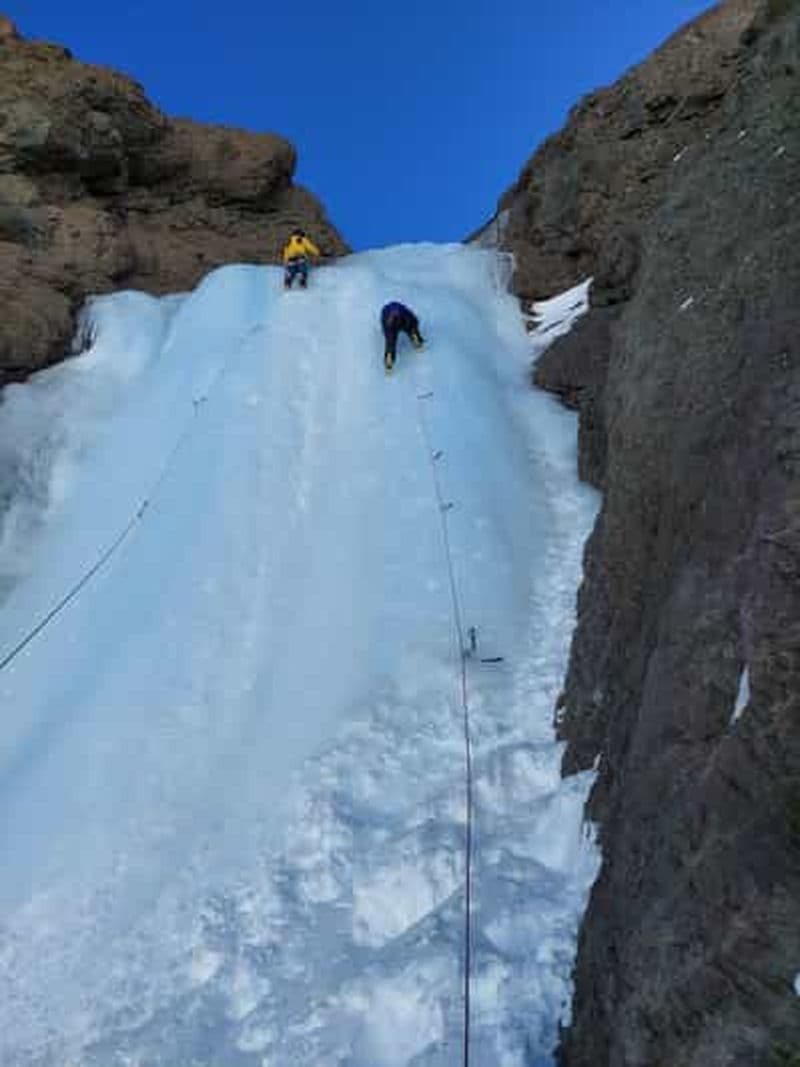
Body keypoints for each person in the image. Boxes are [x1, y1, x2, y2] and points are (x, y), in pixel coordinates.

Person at [380, 302, 424, 373]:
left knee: (412, 329)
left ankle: (417, 341)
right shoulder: (388, 324)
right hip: (390, 321)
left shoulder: (409, 317)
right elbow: (390, 343)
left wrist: (416, 336)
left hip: (402, 317)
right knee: (390, 344)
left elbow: (414, 323)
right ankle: (389, 363)